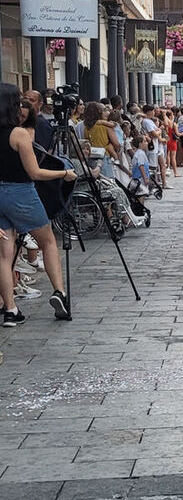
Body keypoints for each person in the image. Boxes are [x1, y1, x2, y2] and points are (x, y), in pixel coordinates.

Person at [0, 83, 76, 324]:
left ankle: (10, 309)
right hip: (20, 192)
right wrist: (64, 174)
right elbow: (34, 172)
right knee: (48, 241)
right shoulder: (18, 134)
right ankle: (59, 292)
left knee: (4, 255)